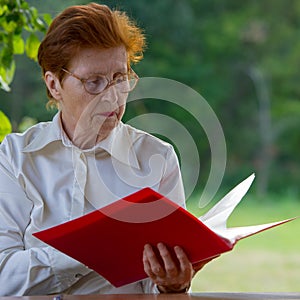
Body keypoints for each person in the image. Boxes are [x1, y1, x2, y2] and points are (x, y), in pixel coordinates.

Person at [0, 3, 212, 296]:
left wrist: (172, 283)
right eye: (94, 82)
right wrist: (91, 250)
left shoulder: (158, 157)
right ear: (54, 85)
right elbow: (3, 276)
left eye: (119, 78)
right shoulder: (14, 157)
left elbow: (157, 286)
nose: (112, 96)